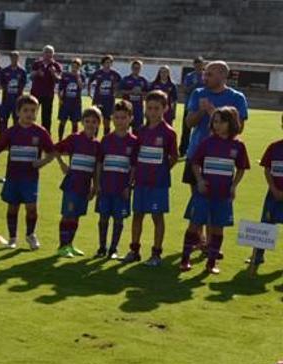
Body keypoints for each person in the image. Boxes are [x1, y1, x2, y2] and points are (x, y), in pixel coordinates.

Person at [182, 60, 248, 255]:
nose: (205, 77)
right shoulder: (198, 93)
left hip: (221, 160)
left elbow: (239, 128)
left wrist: (213, 113)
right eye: (204, 74)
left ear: (222, 75)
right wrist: (202, 110)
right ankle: (199, 239)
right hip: (197, 154)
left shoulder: (236, 97)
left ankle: (211, 244)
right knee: (198, 198)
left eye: (209, 74)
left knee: (217, 201)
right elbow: (189, 123)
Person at [181, 106, 247, 274]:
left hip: (223, 194)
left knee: (218, 227)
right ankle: (185, 259)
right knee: (194, 225)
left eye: (222, 122)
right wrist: (200, 180)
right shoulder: (207, 142)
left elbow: (241, 168)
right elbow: (195, 163)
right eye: (215, 122)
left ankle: (211, 263)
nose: (217, 125)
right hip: (203, 193)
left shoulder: (238, 146)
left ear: (231, 123)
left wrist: (234, 186)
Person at [0, 94, 54, 250]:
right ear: (18, 112)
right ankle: (12, 238)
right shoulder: (11, 132)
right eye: (26, 110)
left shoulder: (40, 132)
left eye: (33, 110)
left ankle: (30, 235)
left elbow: (52, 152)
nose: (30, 114)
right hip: (13, 178)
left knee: (31, 208)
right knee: (13, 207)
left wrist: (42, 162)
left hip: (30, 179)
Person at [123, 90, 178, 266]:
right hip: (140, 181)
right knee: (137, 215)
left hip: (158, 184)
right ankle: (134, 250)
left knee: (157, 217)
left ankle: (156, 253)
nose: (152, 112)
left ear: (165, 109)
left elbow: (174, 157)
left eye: (157, 108)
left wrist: (162, 169)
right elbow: (136, 156)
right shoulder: (141, 130)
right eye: (150, 108)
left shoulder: (169, 133)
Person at [52, 106, 101, 257]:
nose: (90, 125)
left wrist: (95, 186)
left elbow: (95, 168)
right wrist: (62, 164)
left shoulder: (97, 145)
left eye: (94, 122)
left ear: (98, 124)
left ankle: (70, 244)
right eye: (87, 121)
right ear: (82, 122)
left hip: (85, 186)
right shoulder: (74, 138)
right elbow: (55, 149)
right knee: (68, 214)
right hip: (72, 184)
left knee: (77, 215)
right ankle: (62, 246)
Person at [94, 100, 137, 259]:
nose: (120, 121)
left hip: (122, 189)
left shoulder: (133, 142)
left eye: (123, 117)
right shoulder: (106, 140)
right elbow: (99, 163)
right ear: (112, 118)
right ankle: (101, 247)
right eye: (117, 118)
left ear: (130, 118)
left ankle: (113, 248)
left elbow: (133, 167)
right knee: (103, 217)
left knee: (119, 219)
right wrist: (97, 183)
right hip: (105, 187)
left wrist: (129, 185)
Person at [249, 113, 283, 274]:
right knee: (266, 225)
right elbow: (267, 169)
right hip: (274, 195)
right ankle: (257, 255)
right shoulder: (274, 147)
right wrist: (274, 188)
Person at [29, 45, 62, 129]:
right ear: (43, 53)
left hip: (48, 94)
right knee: (31, 114)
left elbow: (58, 80)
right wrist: (37, 73)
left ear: (53, 54)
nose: (48, 54)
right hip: (35, 93)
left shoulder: (56, 65)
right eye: (46, 52)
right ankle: (29, 132)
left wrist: (53, 73)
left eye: (50, 52)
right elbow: (30, 76)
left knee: (46, 117)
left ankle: (46, 136)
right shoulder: (37, 64)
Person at [179, 57, 205, 156]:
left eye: (200, 65)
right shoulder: (189, 76)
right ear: (194, 65)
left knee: (202, 130)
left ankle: (200, 150)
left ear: (203, 65)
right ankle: (183, 150)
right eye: (196, 65)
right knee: (186, 129)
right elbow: (185, 90)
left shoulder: (206, 76)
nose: (198, 67)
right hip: (190, 106)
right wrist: (193, 85)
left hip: (203, 107)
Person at [0, 50, 26, 133]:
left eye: (16, 57)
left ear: (18, 58)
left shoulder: (22, 71)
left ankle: (15, 136)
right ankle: (3, 137)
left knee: (16, 119)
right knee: (4, 119)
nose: (14, 59)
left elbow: (23, 85)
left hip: (17, 100)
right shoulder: (4, 71)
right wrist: (5, 87)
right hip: (6, 99)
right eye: (12, 57)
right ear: (10, 58)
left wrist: (18, 91)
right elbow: (1, 84)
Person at [90, 55, 121, 134]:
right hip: (98, 100)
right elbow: (89, 82)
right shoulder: (97, 73)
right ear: (103, 63)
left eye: (110, 62)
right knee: (95, 120)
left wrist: (116, 92)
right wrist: (90, 93)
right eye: (106, 62)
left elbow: (120, 84)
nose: (108, 64)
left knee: (107, 121)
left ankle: (106, 140)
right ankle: (94, 139)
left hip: (109, 101)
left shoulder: (115, 74)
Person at [56, 58, 84, 140]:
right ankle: (60, 139)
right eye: (73, 66)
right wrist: (60, 99)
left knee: (75, 123)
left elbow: (81, 87)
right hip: (65, 102)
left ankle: (73, 140)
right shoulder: (65, 75)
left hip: (76, 103)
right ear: (71, 66)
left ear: (79, 67)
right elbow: (60, 89)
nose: (74, 68)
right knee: (62, 121)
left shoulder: (81, 76)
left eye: (77, 67)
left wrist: (78, 77)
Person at [120, 59, 148, 132]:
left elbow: (147, 93)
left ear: (140, 69)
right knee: (124, 130)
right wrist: (131, 92)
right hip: (126, 109)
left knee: (138, 131)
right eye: (135, 67)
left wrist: (140, 92)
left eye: (138, 68)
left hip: (138, 108)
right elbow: (120, 91)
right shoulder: (126, 79)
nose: (136, 69)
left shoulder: (143, 80)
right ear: (131, 68)